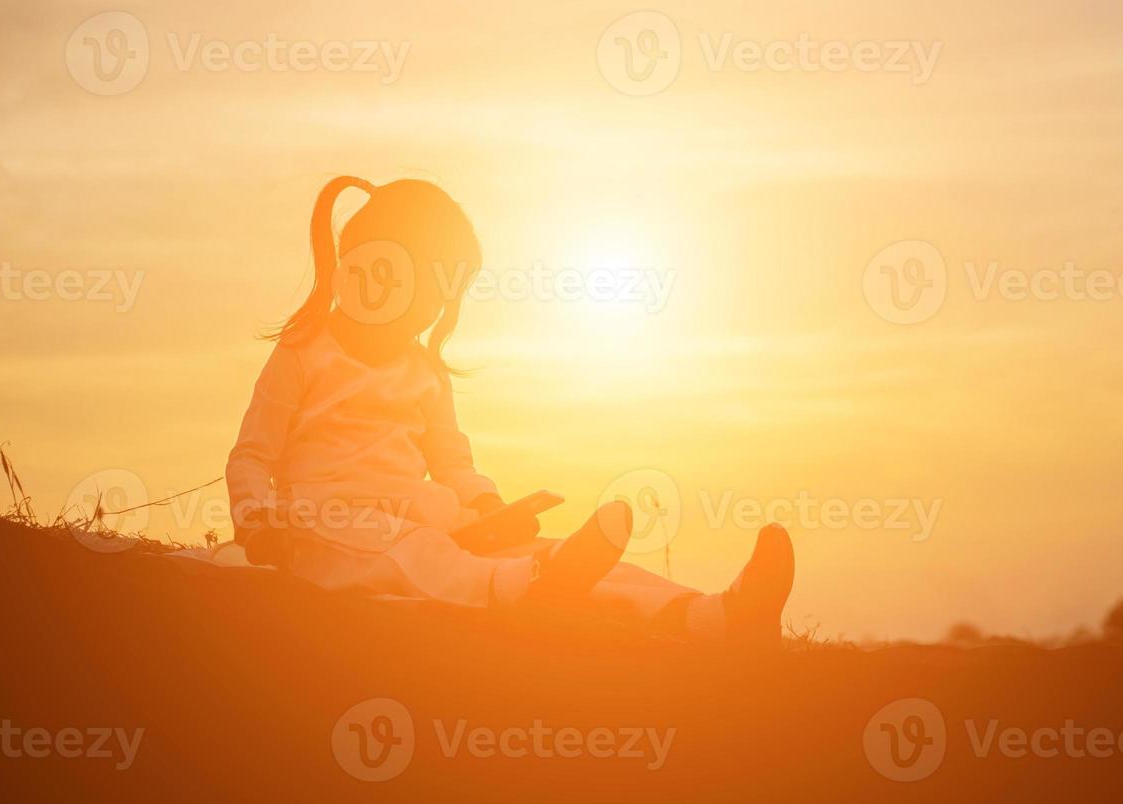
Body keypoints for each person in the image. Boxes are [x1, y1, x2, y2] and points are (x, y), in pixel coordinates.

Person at [224, 176, 793, 646]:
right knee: (420, 554)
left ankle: (707, 614)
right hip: (326, 532)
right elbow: (252, 454)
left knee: (529, 551)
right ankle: (529, 587)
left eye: (442, 299)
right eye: (426, 290)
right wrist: (256, 522)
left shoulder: (424, 373)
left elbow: (452, 463)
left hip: (422, 517)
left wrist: (489, 507)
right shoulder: (304, 354)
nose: (431, 311)